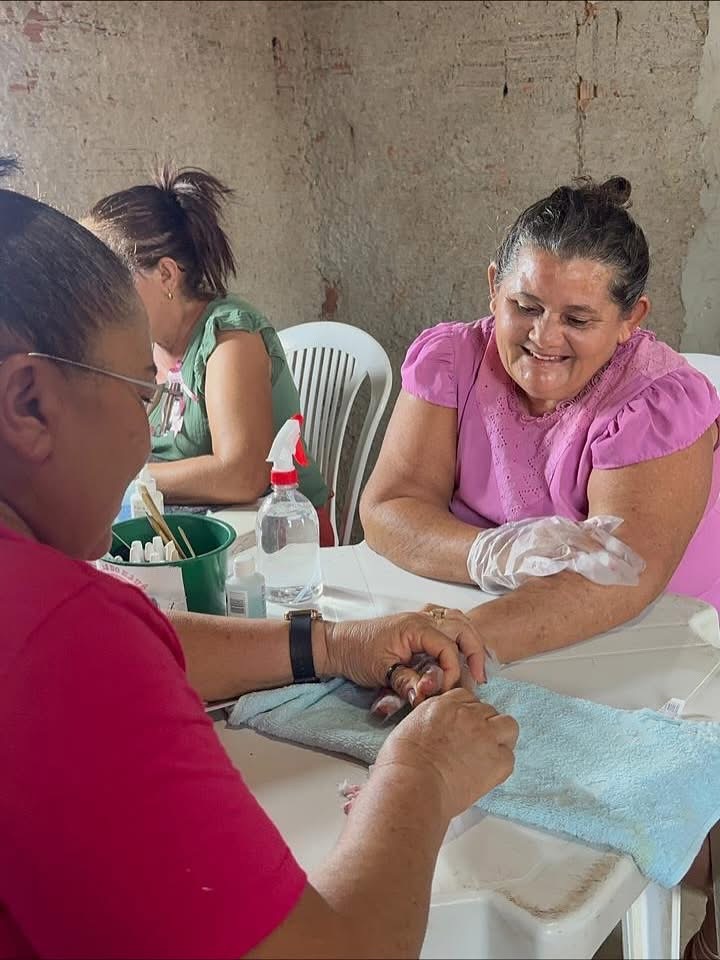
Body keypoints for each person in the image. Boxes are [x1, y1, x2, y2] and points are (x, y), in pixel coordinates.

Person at [0, 158, 517, 959]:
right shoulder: (58, 638)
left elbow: (145, 646)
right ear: (29, 403)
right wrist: (422, 774)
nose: (144, 438)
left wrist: (332, 643)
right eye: (141, 396)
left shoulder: (62, 625)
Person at [360, 176, 720, 958]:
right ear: (493, 287)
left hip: (668, 636)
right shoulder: (453, 358)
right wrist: (486, 551)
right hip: (522, 619)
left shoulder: (660, 400)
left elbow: (620, 574)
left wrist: (461, 639)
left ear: (631, 320)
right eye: (524, 305)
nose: (543, 337)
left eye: (578, 319)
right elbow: (390, 504)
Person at [84, 164, 335, 545]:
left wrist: (124, 478)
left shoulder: (228, 338)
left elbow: (242, 474)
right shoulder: (144, 346)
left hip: (279, 540)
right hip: (191, 530)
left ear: (166, 275)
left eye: (111, 281)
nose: (100, 297)